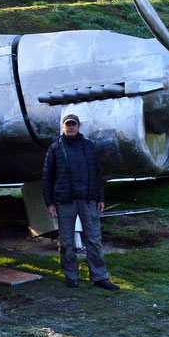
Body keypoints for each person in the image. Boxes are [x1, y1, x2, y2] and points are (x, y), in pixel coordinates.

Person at [41, 113, 120, 291]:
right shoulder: (55, 149)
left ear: (78, 126)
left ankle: (100, 277)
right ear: (62, 127)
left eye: (73, 125)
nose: (70, 127)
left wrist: (100, 198)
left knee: (94, 239)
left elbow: (97, 174)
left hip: (88, 200)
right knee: (67, 241)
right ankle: (71, 276)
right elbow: (46, 178)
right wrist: (50, 204)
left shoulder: (89, 146)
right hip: (65, 201)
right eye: (67, 125)